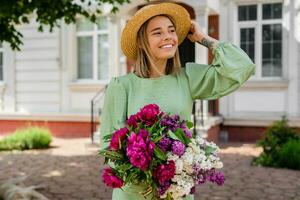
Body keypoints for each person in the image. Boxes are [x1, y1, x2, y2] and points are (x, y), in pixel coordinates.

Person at [100, 2, 255, 200]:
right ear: (141, 42)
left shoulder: (188, 78)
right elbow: (110, 145)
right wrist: (145, 176)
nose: (168, 37)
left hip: (177, 193)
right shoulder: (121, 86)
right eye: (157, 32)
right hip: (134, 193)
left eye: (171, 30)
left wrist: (203, 38)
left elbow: (243, 67)